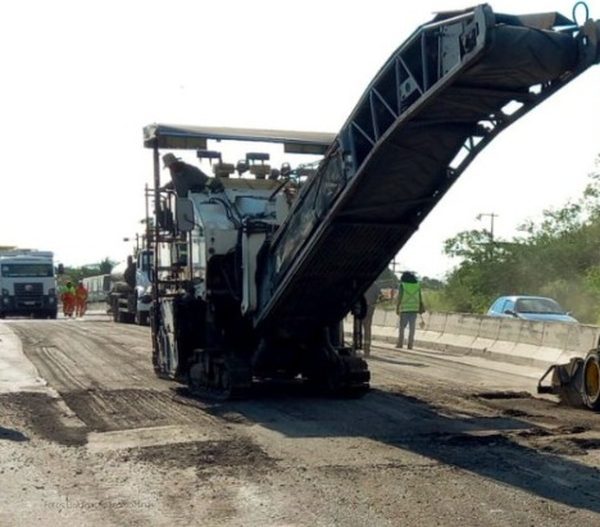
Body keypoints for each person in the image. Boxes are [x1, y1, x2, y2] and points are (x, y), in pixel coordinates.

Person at [395, 271, 425, 349]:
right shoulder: (417, 285)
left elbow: (399, 298)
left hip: (404, 309)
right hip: (414, 309)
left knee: (402, 327)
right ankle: (410, 344)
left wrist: (397, 308)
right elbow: (420, 297)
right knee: (412, 328)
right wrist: (420, 307)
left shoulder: (403, 285)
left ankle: (400, 343)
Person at [362, 281, 380, 357]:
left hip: (360, 310)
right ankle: (367, 349)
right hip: (370, 311)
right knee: (367, 329)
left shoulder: (361, 284)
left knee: (357, 329)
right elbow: (379, 297)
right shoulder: (375, 286)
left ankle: (356, 347)